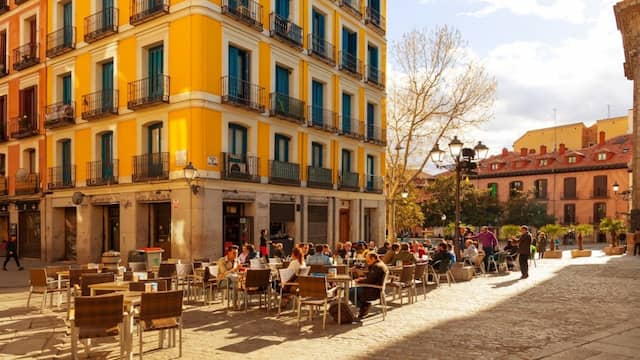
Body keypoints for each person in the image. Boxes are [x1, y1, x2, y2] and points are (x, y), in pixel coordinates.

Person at [350, 253, 388, 319]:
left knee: (350, 292)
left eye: (368, 260)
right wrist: (362, 276)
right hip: (377, 289)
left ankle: (364, 306)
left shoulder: (376, 267)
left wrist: (359, 280)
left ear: (373, 258)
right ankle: (363, 307)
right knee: (353, 290)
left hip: (373, 291)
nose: (367, 262)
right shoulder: (381, 264)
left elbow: (370, 280)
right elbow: (372, 277)